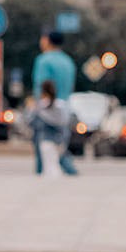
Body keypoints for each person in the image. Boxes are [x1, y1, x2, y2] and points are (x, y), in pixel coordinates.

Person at [31, 31, 79, 176]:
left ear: (47, 41)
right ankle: (69, 168)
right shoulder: (68, 61)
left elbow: (42, 85)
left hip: (47, 107)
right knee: (60, 141)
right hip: (64, 107)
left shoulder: (43, 60)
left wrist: (36, 104)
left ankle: (43, 171)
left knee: (43, 141)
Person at [30, 80, 71, 179]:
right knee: (55, 163)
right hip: (58, 138)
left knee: (48, 166)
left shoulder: (41, 105)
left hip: (45, 138)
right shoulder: (60, 104)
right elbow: (64, 122)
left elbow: (31, 120)